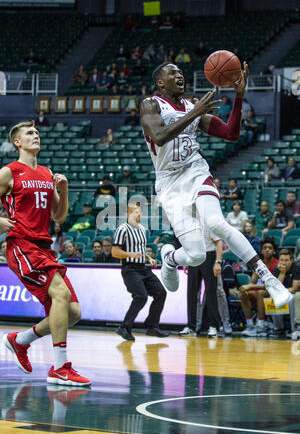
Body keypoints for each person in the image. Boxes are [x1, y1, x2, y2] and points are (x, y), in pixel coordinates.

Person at [140, 61, 292, 310]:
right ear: (160, 82)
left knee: (216, 223)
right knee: (197, 255)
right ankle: (169, 257)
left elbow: (231, 133)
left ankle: (270, 279)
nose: (180, 75)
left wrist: (239, 96)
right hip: (169, 183)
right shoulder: (151, 104)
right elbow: (159, 136)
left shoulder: (191, 107)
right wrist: (195, 113)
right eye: (173, 72)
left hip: (195, 171)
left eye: (181, 72)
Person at [0, 120, 90, 386]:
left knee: (72, 312)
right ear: (17, 142)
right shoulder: (8, 172)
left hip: (44, 247)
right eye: (29, 133)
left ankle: (20, 340)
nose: (35, 135)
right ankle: (60, 367)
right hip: (22, 246)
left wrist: (63, 188)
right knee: (60, 294)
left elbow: (59, 216)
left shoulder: (46, 172)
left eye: (37, 132)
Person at [112, 202, 168, 341]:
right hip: (130, 269)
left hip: (144, 268)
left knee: (161, 293)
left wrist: (149, 258)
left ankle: (151, 326)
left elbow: (141, 250)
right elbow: (115, 252)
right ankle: (124, 327)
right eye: (134, 212)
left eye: (139, 211)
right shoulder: (122, 229)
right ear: (128, 214)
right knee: (141, 296)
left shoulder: (142, 229)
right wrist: (130, 254)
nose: (138, 214)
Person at [180, 226, 228, 338]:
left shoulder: (209, 224)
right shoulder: (190, 226)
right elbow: (189, 245)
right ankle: (191, 326)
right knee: (191, 293)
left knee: (211, 293)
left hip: (209, 257)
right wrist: (187, 259)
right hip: (194, 258)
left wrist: (218, 262)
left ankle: (214, 326)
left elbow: (219, 243)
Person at [240, 237, 279, 337]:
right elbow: (253, 281)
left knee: (260, 294)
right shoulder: (259, 263)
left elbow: (272, 285)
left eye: (270, 248)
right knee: (245, 293)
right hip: (260, 288)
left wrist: (250, 286)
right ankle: (250, 325)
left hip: (273, 291)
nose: (267, 250)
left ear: (274, 251)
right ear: (261, 251)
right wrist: (254, 274)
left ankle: (260, 326)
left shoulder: (277, 264)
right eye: (265, 248)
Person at [271, 249, 300, 336]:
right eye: (282, 260)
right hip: (284, 292)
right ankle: (278, 328)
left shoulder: (297, 267)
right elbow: (276, 288)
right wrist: (282, 273)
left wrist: (282, 292)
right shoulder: (276, 268)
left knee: (292, 299)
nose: (283, 263)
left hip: (293, 293)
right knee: (274, 298)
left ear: (291, 260)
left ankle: (294, 328)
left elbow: (294, 288)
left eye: (286, 260)